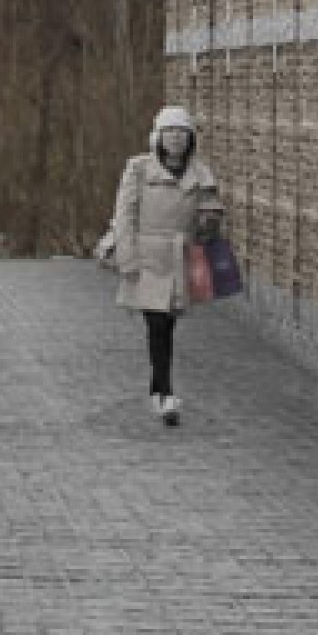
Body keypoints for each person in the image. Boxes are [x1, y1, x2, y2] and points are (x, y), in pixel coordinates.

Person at [111, 103, 224, 427]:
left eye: (182, 132)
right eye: (169, 132)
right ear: (157, 137)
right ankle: (165, 393)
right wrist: (127, 257)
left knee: (168, 325)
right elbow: (125, 214)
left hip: (180, 257)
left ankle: (158, 387)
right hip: (147, 256)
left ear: (190, 139)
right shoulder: (139, 169)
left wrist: (211, 219)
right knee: (157, 324)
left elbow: (211, 216)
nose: (175, 138)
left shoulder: (200, 173)